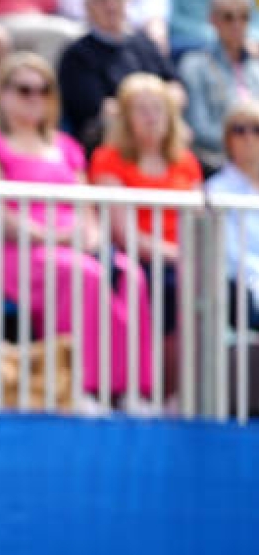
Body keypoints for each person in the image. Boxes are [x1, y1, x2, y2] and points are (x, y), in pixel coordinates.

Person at [0, 52, 155, 402]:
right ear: (1, 93)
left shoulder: (66, 146)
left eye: (44, 89)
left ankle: (131, 389)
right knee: (82, 274)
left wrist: (93, 238)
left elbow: (87, 209)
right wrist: (57, 237)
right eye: (24, 89)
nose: (35, 97)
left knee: (130, 274)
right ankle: (83, 387)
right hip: (10, 252)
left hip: (69, 247)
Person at [90, 72, 202, 397]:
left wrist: (189, 256)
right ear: (126, 118)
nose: (152, 117)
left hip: (181, 259)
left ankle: (186, 392)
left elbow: (198, 224)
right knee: (168, 287)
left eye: (158, 108)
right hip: (136, 261)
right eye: (142, 109)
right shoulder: (108, 160)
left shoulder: (185, 162)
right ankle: (157, 391)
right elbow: (124, 234)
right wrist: (176, 255)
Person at [58, 0, 184, 156]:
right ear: (88, 7)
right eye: (101, 3)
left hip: (161, 144)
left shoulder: (144, 43)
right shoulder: (77, 55)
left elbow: (176, 89)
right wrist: (155, 109)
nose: (110, 6)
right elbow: (100, 109)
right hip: (110, 146)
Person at [178, 0, 259, 173]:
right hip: (216, 163)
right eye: (228, 17)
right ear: (213, 20)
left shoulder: (255, 68)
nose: (237, 25)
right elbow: (199, 128)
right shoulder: (194, 65)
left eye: (244, 17)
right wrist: (244, 141)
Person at [205, 100, 259, 329]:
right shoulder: (216, 190)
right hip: (241, 287)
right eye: (239, 130)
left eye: (257, 129)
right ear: (228, 140)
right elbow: (228, 254)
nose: (248, 137)